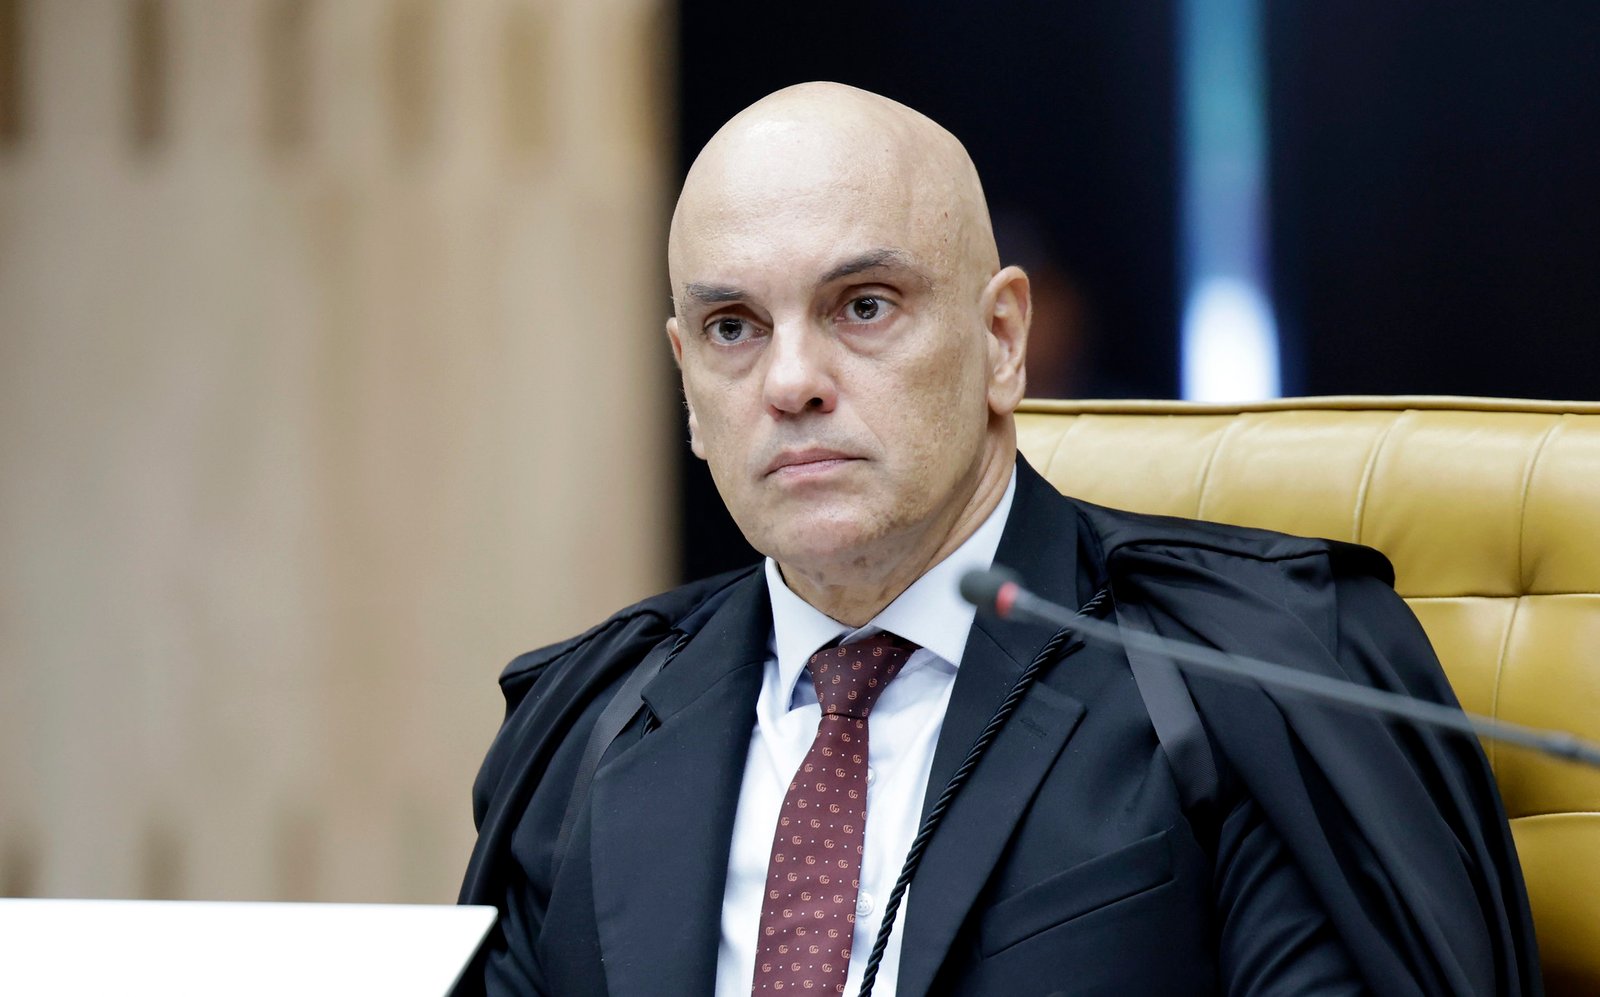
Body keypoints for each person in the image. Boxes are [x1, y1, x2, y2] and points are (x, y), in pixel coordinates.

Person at [457, 83, 1538, 996]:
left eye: (863, 305)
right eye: (732, 327)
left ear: (1002, 338)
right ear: (687, 384)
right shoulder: (585, 729)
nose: (789, 382)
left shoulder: (1253, 677)